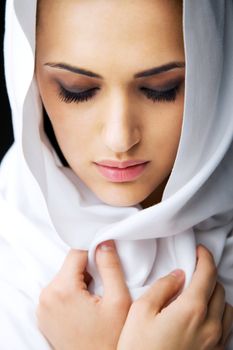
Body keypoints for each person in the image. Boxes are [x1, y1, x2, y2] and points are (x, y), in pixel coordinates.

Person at [0, 0, 232, 349]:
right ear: (27, 75)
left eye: (161, 88)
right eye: (77, 90)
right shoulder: (11, 257)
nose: (120, 138)